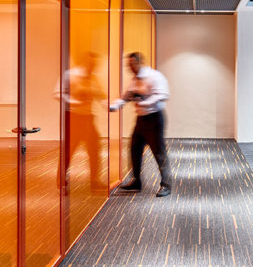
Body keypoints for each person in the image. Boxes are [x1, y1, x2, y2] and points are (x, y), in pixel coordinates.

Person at [109, 52, 172, 197]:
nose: (130, 67)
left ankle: (166, 185)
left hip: (154, 119)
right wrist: (115, 106)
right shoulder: (134, 80)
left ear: (138, 63)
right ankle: (137, 181)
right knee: (134, 149)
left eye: (132, 64)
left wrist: (144, 101)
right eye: (128, 65)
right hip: (141, 120)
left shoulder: (154, 76)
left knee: (159, 153)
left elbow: (163, 94)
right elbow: (126, 97)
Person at [54, 51, 105, 192]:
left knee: (94, 148)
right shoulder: (69, 75)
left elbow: (100, 95)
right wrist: (73, 101)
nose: (94, 66)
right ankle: (61, 182)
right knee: (68, 151)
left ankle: (95, 180)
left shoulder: (93, 78)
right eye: (91, 63)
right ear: (84, 62)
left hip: (88, 118)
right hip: (72, 117)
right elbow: (58, 93)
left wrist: (109, 105)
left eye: (95, 64)